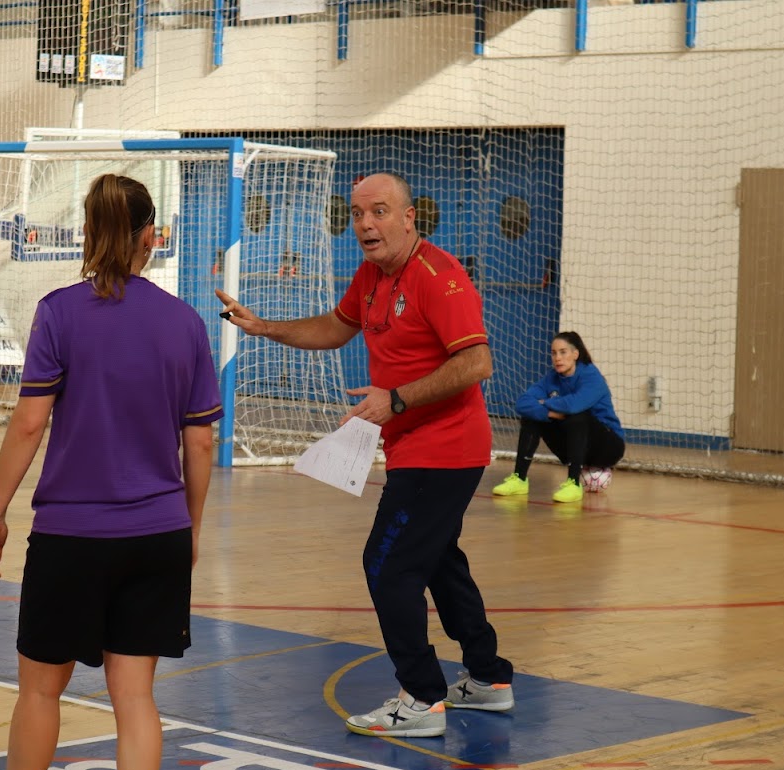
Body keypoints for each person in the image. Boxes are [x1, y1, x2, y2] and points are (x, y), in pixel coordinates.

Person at [0, 174, 220, 770]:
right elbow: (202, 440)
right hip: (156, 534)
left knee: (41, 692)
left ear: (89, 236)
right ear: (151, 238)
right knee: (137, 696)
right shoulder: (185, 322)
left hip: (73, 536)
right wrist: (188, 525)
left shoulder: (59, 313)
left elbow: (29, 423)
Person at [215, 172, 514, 739]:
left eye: (378, 211)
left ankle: (422, 698)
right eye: (356, 214)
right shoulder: (373, 275)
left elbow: (476, 364)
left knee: (388, 566)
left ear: (409, 218)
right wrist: (264, 327)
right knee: (438, 561)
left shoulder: (439, 277)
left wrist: (395, 400)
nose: (365, 224)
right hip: (412, 447)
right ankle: (487, 677)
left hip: (445, 449)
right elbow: (336, 326)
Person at [492, 331, 626, 503]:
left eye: (563, 352)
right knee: (531, 417)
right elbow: (522, 403)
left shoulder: (592, 376)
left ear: (575, 354)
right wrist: (549, 412)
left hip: (608, 446)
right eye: (554, 353)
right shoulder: (551, 378)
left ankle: (573, 483)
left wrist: (543, 402)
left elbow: (574, 405)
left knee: (577, 415)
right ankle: (519, 479)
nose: (557, 358)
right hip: (575, 445)